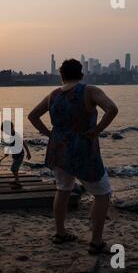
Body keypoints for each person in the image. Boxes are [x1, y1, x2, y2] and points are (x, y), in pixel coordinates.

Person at [28, 59, 118, 255]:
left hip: (58, 149)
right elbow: (112, 109)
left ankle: (60, 233)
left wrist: (50, 134)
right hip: (83, 149)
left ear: (61, 75)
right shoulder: (89, 91)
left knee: (63, 190)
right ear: (81, 74)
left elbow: (33, 116)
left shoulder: (53, 95)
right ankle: (95, 242)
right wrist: (96, 131)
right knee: (102, 194)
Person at [0, 121, 31, 187]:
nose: (5, 133)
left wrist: (28, 152)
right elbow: (11, 144)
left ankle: (18, 183)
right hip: (16, 155)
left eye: (5, 131)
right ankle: (16, 180)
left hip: (19, 155)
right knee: (14, 169)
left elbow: (23, 143)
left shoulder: (16, 135)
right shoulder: (12, 135)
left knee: (14, 169)